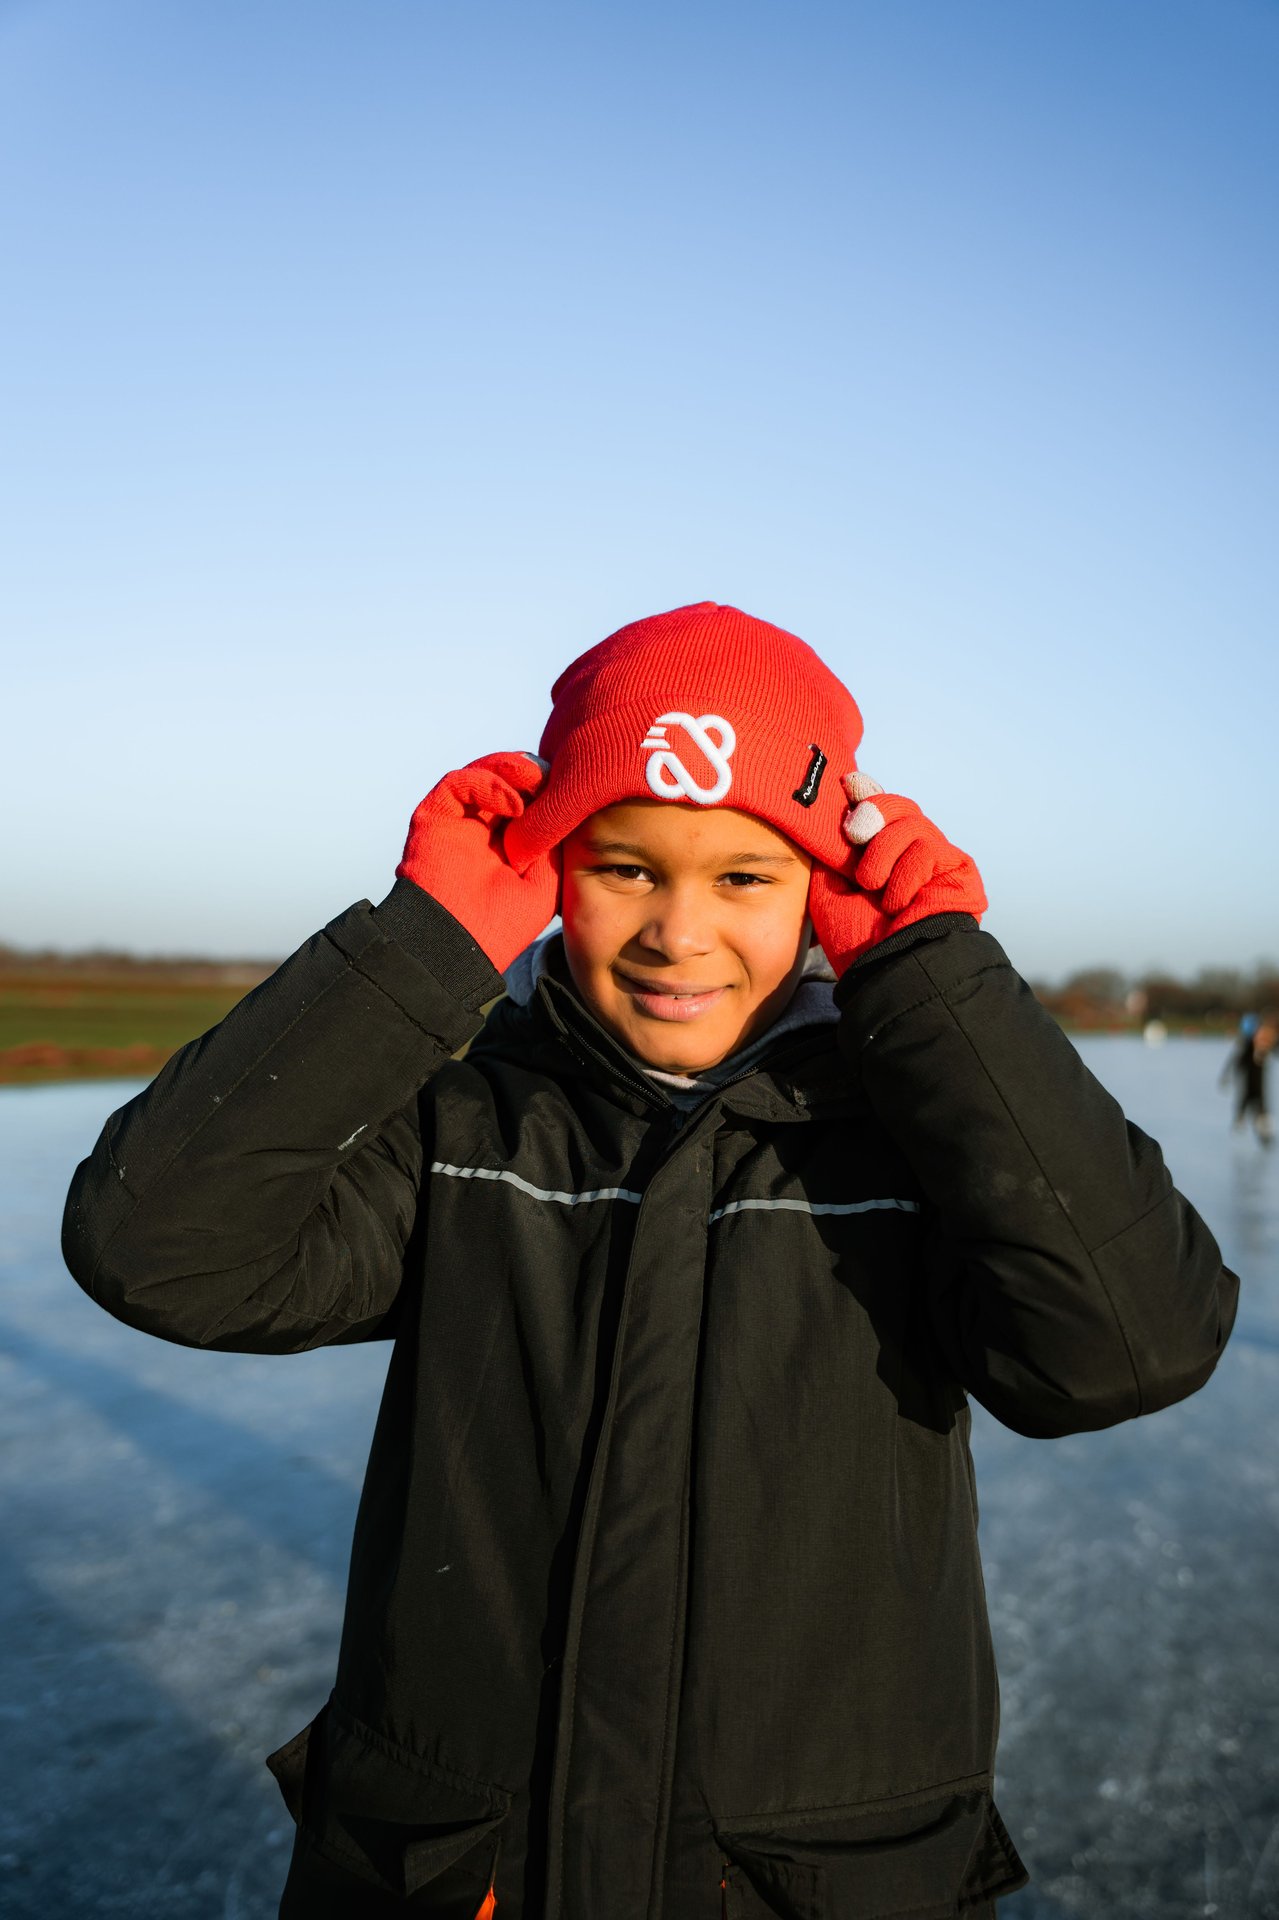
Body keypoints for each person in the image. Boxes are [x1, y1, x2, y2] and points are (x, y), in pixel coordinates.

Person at [63, 602, 1238, 1920]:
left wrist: (930, 980)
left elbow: (1127, 1348)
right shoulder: (467, 1130)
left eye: (744, 877)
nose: (678, 933)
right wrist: (423, 945)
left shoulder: (905, 1148)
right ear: (548, 872)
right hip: (460, 1875)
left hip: (803, 1884)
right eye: (623, 867)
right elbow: (155, 1247)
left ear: (823, 890)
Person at [1219, 1012, 1276, 1145]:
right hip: (1248, 1087)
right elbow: (1235, 1061)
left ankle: (1263, 1135)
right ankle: (1243, 1130)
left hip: (1258, 1088)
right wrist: (1226, 1076)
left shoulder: (1262, 1046)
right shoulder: (1246, 1047)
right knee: (1247, 1106)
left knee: (1259, 1108)